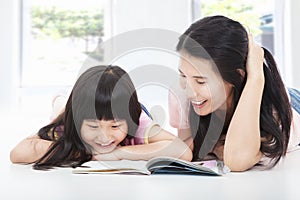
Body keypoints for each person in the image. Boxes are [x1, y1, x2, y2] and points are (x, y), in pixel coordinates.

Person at [168, 15, 300, 172]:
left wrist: (255, 77)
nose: (190, 92)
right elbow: (187, 150)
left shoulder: (272, 109)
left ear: (237, 76)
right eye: (183, 75)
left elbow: (237, 160)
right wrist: (214, 145)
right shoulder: (181, 93)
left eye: (201, 82)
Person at [10, 65, 192, 170]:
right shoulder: (68, 122)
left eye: (114, 127)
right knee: (62, 105)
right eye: (94, 126)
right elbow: (18, 153)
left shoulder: (136, 121)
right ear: (77, 122)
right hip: (68, 107)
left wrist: (118, 153)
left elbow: (182, 151)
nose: (104, 137)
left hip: (133, 108)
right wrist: (83, 151)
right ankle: (61, 101)